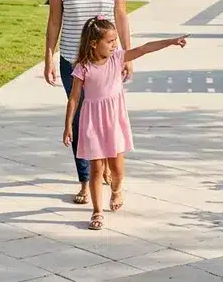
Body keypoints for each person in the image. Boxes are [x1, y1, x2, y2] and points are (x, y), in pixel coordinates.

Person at [63, 16, 186, 230]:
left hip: (114, 121)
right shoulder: (83, 67)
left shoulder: (117, 58)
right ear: (94, 43)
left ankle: (117, 190)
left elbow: (145, 48)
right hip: (92, 120)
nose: (114, 45)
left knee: (117, 167)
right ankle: (97, 211)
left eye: (115, 41)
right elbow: (74, 98)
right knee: (96, 168)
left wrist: (171, 41)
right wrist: (68, 126)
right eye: (110, 41)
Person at [44, 0, 132, 206]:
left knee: (107, 120)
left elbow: (122, 17)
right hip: (73, 61)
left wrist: (127, 57)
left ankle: (107, 169)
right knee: (82, 125)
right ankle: (86, 180)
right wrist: (49, 57)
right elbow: (54, 22)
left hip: (108, 64)